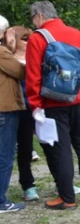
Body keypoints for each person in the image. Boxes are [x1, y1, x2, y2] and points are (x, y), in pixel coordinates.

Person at [26, 1, 80, 209]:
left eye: (33, 18)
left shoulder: (37, 38)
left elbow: (33, 75)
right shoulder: (76, 34)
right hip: (77, 97)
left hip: (53, 100)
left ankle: (67, 197)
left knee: (61, 148)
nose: (33, 22)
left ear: (39, 16)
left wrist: (35, 104)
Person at [5, 25, 39, 202]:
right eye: (25, 39)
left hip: (40, 107)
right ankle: (28, 185)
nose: (29, 41)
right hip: (22, 109)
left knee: (53, 146)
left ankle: (61, 182)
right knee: (25, 149)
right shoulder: (8, 59)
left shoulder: (36, 57)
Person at [0, 15, 26, 214]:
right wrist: (18, 51)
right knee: (5, 156)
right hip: (5, 110)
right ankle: (1, 201)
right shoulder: (1, 53)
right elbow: (21, 71)